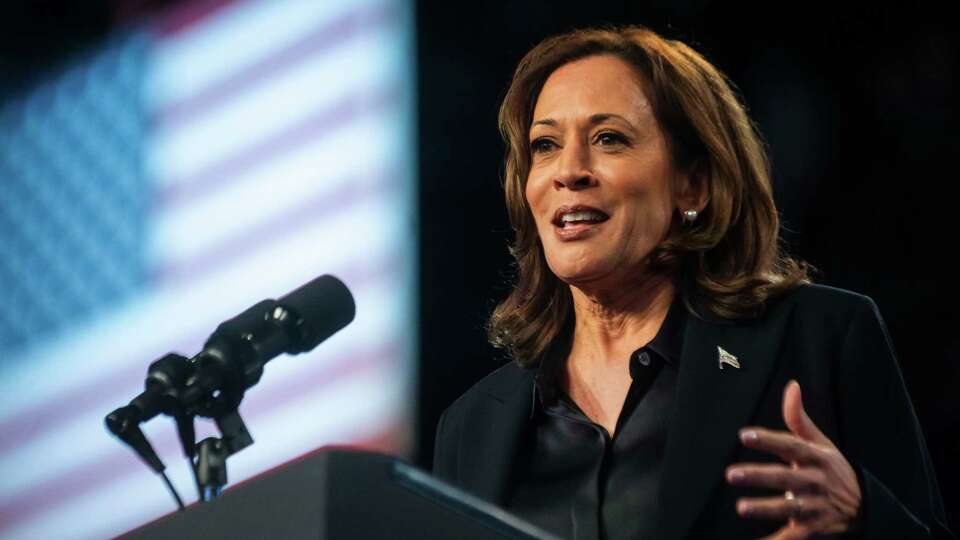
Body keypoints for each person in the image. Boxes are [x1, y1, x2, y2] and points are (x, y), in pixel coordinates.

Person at [432, 25, 954, 540]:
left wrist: (863, 517)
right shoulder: (471, 426)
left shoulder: (818, 339)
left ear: (694, 185)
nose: (568, 170)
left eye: (608, 139)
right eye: (544, 145)